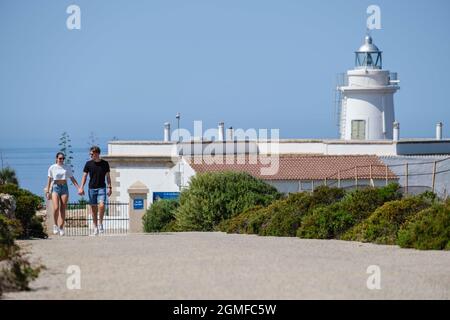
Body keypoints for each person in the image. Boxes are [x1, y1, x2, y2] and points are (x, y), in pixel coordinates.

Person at [46, 152, 82, 236]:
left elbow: (72, 179)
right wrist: (48, 191)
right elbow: (49, 180)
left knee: (63, 208)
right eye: (60, 158)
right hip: (55, 187)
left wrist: (79, 188)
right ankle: (55, 225)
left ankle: (61, 227)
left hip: (64, 188)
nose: (61, 160)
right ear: (56, 158)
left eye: (63, 158)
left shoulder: (67, 167)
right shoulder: (52, 167)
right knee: (56, 208)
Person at [80, 146, 112, 235]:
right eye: (90, 154)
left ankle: (100, 223)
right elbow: (84, 176)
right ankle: (95, 226)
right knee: (94, 209)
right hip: (92, 189)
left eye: (91, 154)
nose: (90, 155)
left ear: (97, 153)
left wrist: (109, 187)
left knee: (101, 205)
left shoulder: (105, 164)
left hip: (102, 188)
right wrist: (81, 187)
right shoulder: (88, 164)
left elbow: (108, 177)